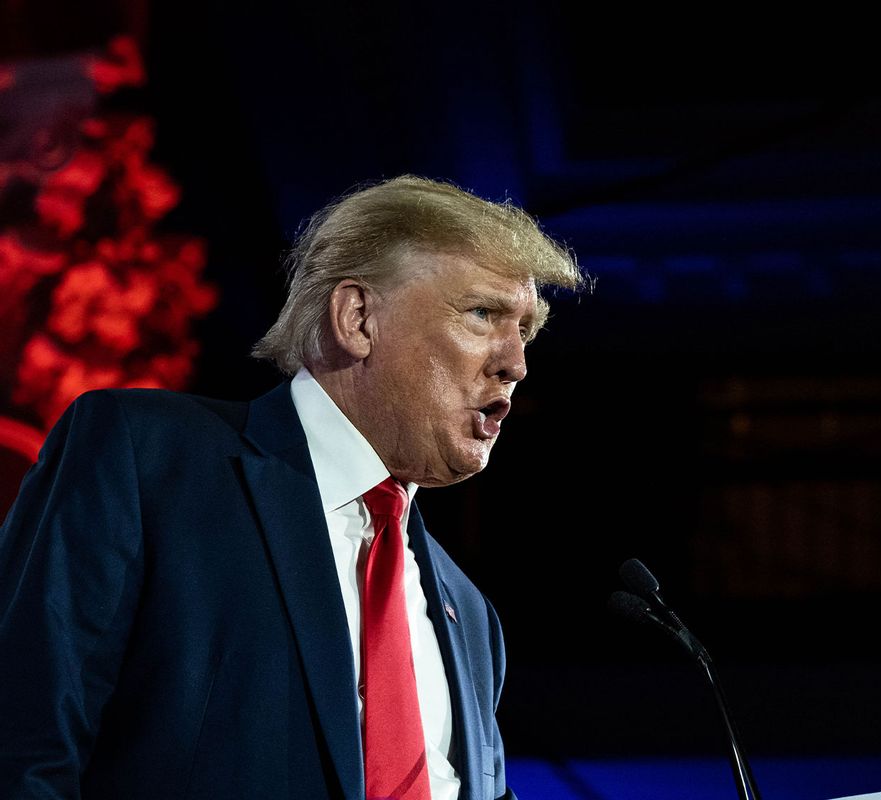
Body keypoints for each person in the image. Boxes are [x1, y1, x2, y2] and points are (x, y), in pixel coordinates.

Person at [0, 175, 583, 800]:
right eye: (483, 314)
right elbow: (23, 746)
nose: (515, 363)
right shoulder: (148, 461)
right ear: (357, 318)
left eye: (526, 330)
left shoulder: (470, 616)